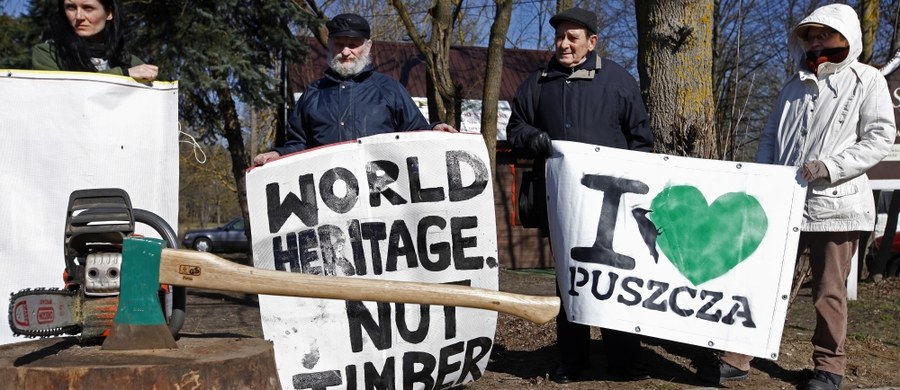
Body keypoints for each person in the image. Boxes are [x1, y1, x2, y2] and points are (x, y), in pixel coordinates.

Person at [697, 4, 895, 390]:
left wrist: (831, 167)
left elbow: (879, 138)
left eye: (824, 33)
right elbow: (771, 137)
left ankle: (829, 368)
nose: (816, 40)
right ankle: (739, 356)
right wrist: (763, 179)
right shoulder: (793, 84)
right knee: (764, 280)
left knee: (828, 290)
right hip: (783, 204)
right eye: (810, 34)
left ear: (846, 36)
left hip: (838, 205)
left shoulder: (866, 81)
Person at [505, 7, 654, 384]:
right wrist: (531, 139)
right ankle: (572, 360)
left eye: (573, 37)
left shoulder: (618, 81)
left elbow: (641, 140)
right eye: (560, 37)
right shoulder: (539, 81)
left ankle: (624, 360)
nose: (564, 44)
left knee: (616, 278)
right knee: (569, 280)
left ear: (592, 41)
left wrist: (638, 190)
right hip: (561, 202)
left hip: (612, 204)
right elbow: (516, 126)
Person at [253, 13, 455, 166]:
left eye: (353, 44)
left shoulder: (390, 89)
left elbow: (414, 132)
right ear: (330, 46)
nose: (346, 51)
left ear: (367, 46)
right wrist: (278, 154)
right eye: (339, 44)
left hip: (383, 202)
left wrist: (433, 129)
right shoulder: (312, 94)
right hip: (329, 203)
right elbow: (298, 143)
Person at [32, 0, 158, 81]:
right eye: (71, 7)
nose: (79, 16)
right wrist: (123, 75)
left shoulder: (131, 62)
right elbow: (64, 93)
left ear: (109, 13)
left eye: (88, 8)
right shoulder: (47, 54)